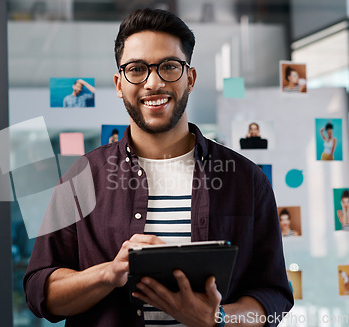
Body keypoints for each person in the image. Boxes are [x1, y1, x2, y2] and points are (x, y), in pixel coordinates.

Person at [24, 8, 293, 327]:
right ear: (119, 84)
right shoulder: (81, 178)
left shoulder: (247, 180)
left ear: (190, 78)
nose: (153, 82)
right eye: (137, 69)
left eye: (169, 67)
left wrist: (218, 318)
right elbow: (40, 293)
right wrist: (109, 274)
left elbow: (275, 302)